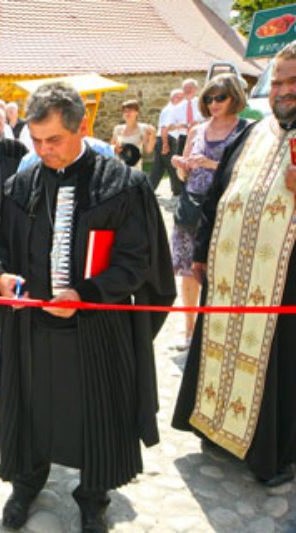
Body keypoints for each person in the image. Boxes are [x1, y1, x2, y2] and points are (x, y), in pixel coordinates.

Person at [0, 82, 175, 531]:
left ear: (83, 127)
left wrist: (86, 295)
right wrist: (1, 274)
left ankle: (93, 495)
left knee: (96, 415)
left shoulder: (123, 186)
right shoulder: (20, 184)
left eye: (54, 140)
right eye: (35, 140)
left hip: (94, 330)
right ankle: (27, 480)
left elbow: (137, 262)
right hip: (31, 331)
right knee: (31, 410)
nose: (43, 150)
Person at [172, 42, 296, 488]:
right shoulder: (252, 133)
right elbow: (218, 195)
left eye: (291, 81)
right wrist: (203, 251)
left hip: (284, 290)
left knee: (276, 365)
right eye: (277, 80)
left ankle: (271, 451)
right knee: (219, 354)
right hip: (229, 281)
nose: (282, 90)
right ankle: (217, 430)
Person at [170, 74, 247, 350]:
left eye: (220, 98)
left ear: (234, 98)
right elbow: (182, 176)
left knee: (223, 271)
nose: (214, 103)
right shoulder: (196, 131)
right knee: (189, 271)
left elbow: (246, 171)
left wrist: (211, 164)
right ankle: (188, 329)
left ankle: (218, 330)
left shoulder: (245, 130)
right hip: (193, 209)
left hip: (226, 208)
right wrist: (182, 164)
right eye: (209, 99)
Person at [149, 89, 185, 192]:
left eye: (183, 97)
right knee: (173, 166)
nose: (182, 100)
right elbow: (164, 128)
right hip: (166, 139)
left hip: (164, 139)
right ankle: (178, 190)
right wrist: (165, 144)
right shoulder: (171, 109)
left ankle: (149, 189)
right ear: (173, 98)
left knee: (158, 168)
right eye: (180, 97)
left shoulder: (170, 109)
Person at [111, 100, 155, 170]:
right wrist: (115, 148)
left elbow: (148, 150)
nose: (127, 113)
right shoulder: (118, 128)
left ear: (137, 112)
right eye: (125, 111)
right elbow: (111, 148)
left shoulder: (142, 128)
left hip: (134, 167)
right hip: (119, 167)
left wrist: (153, 135)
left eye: (130, 111)